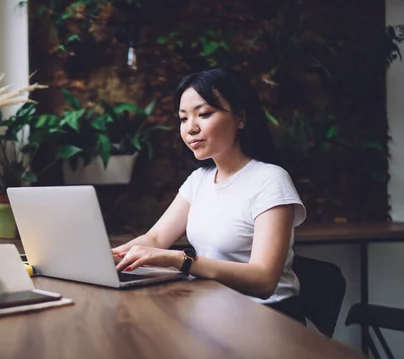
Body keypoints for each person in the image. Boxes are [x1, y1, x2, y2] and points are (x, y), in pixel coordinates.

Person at [112, 67, 307, 323]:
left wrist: (180, 260)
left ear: (241, 118)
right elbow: (156, 237)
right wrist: (110, 257)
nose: (191, 128)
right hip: (213, 310)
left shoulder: (270, 179)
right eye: (183, 119)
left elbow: (264, 280)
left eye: (204, 114)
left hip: (267, 318)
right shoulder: (200, 180)